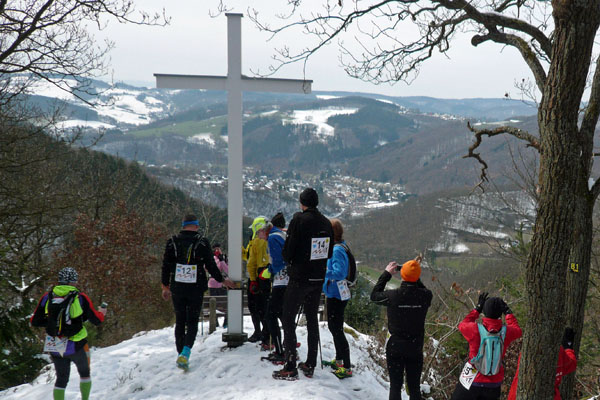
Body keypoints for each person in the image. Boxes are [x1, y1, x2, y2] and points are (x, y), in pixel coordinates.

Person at [273, 187, 334, 380]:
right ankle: (310, 363)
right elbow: (329, 252)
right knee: (312, 320)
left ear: (302, 203)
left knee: (288, 318)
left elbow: (288, 251)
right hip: (318, 278)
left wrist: (291, 259)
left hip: (300, 277)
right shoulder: (326, 222)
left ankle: (290, 364)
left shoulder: (299, 219)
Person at [161, 214, 234, 370]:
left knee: (180, 320)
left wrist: (165, 286)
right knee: (193, 320)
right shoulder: (202, 242)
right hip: (195, 288)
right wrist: (222, 280)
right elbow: (211, 265)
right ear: (195, 226)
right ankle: (186, 352)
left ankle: (180, 353)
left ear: (183, 225)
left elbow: (166, 265)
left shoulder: (172, 242)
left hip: (177, 287)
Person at [30, 267, 106, 400]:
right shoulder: (80, 297)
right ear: (73, 281)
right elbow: (97, 320)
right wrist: (102, 313)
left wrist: (52, 324)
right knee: (84, 374)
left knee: (61, 380)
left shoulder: (47, 297)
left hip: (54, 344)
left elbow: (35, 321)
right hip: (76, 344)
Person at [370, 256, 432, 400]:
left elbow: (374, 295)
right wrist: (413, 273)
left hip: (395, 346)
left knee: (395, 387)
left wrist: (386, 274)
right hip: (415, 347)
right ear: (417, 277)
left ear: (402, 275)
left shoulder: (392, 296)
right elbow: (422, 288)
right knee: (414, 387)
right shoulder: (426, 296)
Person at [450, 293, 522, 400]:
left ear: (484, 312)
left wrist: (477, 309)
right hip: (494, 382)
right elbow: (518, 330)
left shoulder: (474, 330)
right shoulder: (506, 332)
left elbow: (462, 324)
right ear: (500, 314)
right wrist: (508, 312)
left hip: (472, 378)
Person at [508, 328, 577, 400]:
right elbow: (571, 364)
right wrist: (568, 347)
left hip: (517, 394)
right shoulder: (558, 351)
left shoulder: (528, 349)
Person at [323, 218, 353, 379]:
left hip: (336, 294)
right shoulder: (341, 246)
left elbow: (339, 273)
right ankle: (340, 360)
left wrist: (323, 272)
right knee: (334, 328)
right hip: (336, 293)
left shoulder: (336, 250)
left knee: (336, 329)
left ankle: (346, 366)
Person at [263, 212, 289, 363]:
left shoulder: (272, 238)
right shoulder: (281, 235)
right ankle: (289, 347)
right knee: (283, 314)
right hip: (289, 280)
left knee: (271, 315)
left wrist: (270, 270)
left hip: (281, 281)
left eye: (259, 232)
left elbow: (279, 262)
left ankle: (280, 351)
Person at [245, 216, 272, 344]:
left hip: (257, 277)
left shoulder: (256, 242)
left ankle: (260, 332)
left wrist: (253, 280)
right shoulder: (269, 240)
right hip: (266, 275)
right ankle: (267, 332)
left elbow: (251, 263)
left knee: (255, 306)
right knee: (265, 306)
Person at [208, 243, 229, 328]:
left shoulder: (225, 258)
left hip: (223, 284)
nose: (217, 251)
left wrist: (222, 260)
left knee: (225, 304)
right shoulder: (210, 258)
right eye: (215, 249)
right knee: (213, 304)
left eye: (218, 249)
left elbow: (227, 270)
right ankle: (215, 322)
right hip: (212, 284)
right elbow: (209, 268)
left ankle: (226, 322)